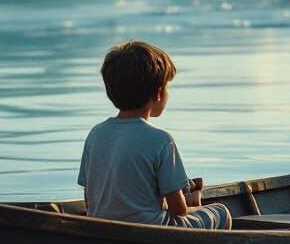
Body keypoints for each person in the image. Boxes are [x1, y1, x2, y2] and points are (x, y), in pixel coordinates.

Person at [78, 40, 231, 229]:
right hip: (152, 232)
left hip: (103, 229)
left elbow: (89, 198)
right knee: (221, 212)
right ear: (158, 93)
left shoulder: (96, 134)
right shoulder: (161, 141)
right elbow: (178, 210)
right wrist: (192, 206)